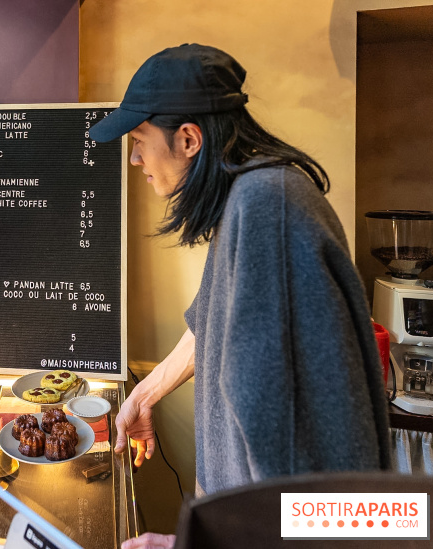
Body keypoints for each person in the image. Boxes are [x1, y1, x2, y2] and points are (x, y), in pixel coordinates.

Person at [89, 44, 391, 548]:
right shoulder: (248, 199)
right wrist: (144, 393)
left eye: (139, 140)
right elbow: (211, 324)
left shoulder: (268, 210)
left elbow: (289, 444)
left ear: (189, 139)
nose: (135, 157)